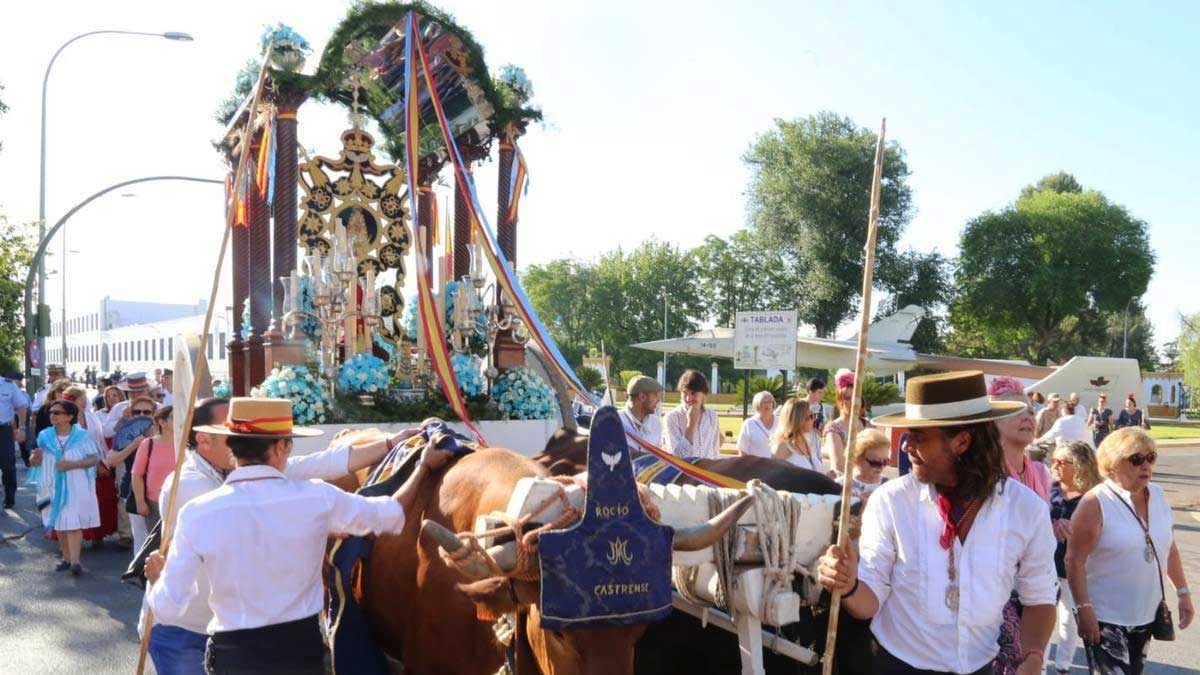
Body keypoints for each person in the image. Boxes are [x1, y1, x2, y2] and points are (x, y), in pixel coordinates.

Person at [145, 398, 453, 675]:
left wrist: (158, 580)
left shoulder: (198, 513)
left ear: (233, 447)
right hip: (298, 654)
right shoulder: (316, 499)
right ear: (280, 448)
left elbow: (168, 608)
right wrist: (423, 466)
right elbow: (391, 514)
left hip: (234, 657)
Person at [817, 370, 1057, 675]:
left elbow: (1040, 598)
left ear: (961, 442)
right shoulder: (891, 501)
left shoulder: (1026, 509)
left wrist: (1033, 657)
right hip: (898, 666)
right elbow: (870, 598)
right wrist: (848, 585)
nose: (905, 446)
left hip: (981, 666)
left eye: (918, 436)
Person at [1066, 428, 1193, 674]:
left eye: (1151, 457)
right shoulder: (1095, 502)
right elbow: (1073, 560)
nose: (1145, 465)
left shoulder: (1157, 495)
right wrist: (1084, 609)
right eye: (1136, 459)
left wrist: (1183, 592)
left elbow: (1168, 547)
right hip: (1105, 616)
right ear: (1113, 463)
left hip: (1145, 613)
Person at [988, 376, 1052, 674]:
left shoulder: (1040, 471)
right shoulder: (984, 475)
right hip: (996, 598)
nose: (1028, 416)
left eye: (1029, 410)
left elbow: (1038, 525)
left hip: (1037, 592)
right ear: (991, 422)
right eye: (1015, 410)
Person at [1045, 440, 1103, 674]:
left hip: (1074, 567)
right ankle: (1038, 665)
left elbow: (1104, 533)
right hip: (1044, 564)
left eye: (1062, 461)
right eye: (1054, 460)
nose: (1055, 465)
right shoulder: (1050, 488)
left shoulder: (1094, 496)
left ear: (1079, 466)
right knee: (1042, 616)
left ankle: (1062, 666)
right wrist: (1051, 523)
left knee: (1069, 619)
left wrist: (1076, 527)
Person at [31, 399, 101, 575]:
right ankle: (66, 558)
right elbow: (35, 462)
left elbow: (94, 459)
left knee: (73, 522)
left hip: (77, 484)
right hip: (51, 483)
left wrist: (72, 464)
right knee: (59, 522)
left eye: (57, 413)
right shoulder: (44, 436)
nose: (52, 415)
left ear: (69, 416)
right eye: (51, 412)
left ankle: (75, 562)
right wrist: (36, 458)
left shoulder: (83, 436)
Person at [63, 385, 118, 546]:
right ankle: (74, 538)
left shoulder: (91, 417)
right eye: (81, 399)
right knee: (76, 503)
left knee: (101, 500)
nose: (84, 401)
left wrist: (104, 462)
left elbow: (101, 437)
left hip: (97, 460)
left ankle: (97, 534)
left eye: (84, 398)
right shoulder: (67, 420)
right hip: (77, 466)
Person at [107, 396, 158, 551]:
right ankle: (139, 571)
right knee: (141, 536)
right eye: (137, 412)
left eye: (147, 412)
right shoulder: (125, 434)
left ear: (154, 414)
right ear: (130, 414)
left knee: (161, 535)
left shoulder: (165, 434)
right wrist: (134, 445)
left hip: (159, 489)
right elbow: (112, 461)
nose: (141, 415)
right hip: (131, 488)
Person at [131, 406, 176, 533]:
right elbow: (137, 474)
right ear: (162, 422)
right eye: (174, 417)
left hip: (182, 500)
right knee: (157, 544)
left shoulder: (188, 444)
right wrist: (140, 502)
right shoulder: (148, 444)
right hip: (155, 503)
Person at [823, 369, 871, 476]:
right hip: (844, 482)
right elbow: (839, 465)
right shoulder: (834, 429)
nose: (853, 402)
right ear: (840, 401)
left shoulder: (868, 425)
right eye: (848, 398)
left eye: (856, 397)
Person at [664, 370, 721, 459]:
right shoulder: (672, 417)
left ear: (703, 394)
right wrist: (691, 425)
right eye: (685, 393)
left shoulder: (712, 416)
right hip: (684, 472)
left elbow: (715, 452)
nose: (688, 398)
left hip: (707, 471)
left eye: (693, 393)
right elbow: (676, 458)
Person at [0, 371, 29, 509]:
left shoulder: (8, 385)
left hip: (4, 430)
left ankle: (9, 495)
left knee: (8, 465)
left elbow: (21, 407)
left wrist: (22, 428)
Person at [771, 397, 824, 473]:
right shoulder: (783, 447)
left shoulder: (806, 441)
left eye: (813, 415)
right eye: (811, 416)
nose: (814, 419)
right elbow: (773, 478)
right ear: (798, 420)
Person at [839, 428, 891, 500]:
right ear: (857, 458)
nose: (881, 467)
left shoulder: (888, 486)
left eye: (885, 462)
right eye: (875, 462)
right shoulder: (842, 486)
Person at [619, 375, 664, 452]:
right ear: (642, 397)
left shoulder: (655, 423)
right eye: (655, 395)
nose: (659, 400)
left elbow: (657, 458)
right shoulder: (616, 421)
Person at [736, 391, 776, 458]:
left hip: (776, 466)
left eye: (770, 402)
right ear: (757, 404)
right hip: (755, 466)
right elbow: (742, 449)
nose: (767, 404)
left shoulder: (781, 422)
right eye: (764, 402)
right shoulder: (749, 423)